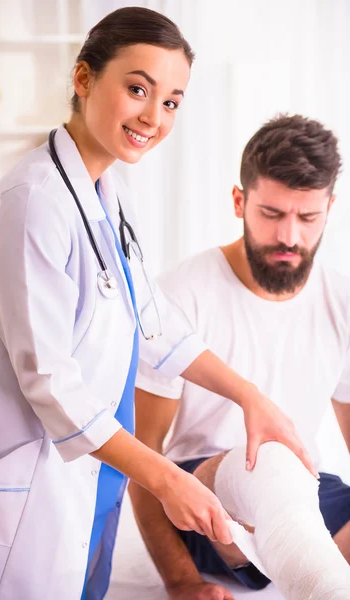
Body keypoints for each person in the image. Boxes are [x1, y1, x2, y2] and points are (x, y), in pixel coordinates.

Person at [0, 10, 313, 600]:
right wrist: (166, 478)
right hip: (22, 468)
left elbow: (154, 323)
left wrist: (250, 396)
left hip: (85, 463)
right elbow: (49, 381)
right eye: (138, 88)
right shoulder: (33, 202)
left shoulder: (107, 194)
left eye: (172, 101)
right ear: (85, 79)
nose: (153, 116)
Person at [131, 114, 350, 599]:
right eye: (271, 214)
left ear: (330, 208)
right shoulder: (179, 296)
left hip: (301, 489)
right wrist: (183, 583)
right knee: (269, 459)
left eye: (308, 218)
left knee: (290, 472)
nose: (290, 236)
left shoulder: (340, 300)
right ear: (239, 201)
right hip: (204, 501)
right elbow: (142, 459)